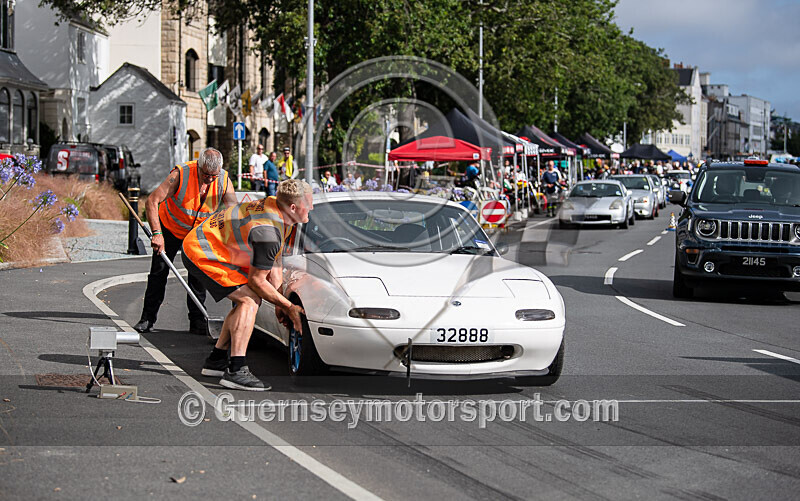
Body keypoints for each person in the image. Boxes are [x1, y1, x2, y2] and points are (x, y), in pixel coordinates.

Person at [181, 179, 314, 390]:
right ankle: (236, 370)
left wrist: (279, 300)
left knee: (251, 298)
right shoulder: (268, 232)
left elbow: (274, 264)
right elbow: (257, 280)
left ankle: (216, 360)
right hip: (203, 252)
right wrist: (289, 308)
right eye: (309, 203)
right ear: (293, 207)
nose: (312, 207)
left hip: (217, 248)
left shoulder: (278, 211)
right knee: (250, 300)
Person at [134, 148, 237, 335]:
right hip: (170, 228)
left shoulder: (223, 180)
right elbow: (152, 201)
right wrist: (157, 234)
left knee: (198, 276)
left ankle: (197, 321)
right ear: (199, 167)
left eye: (214, 175)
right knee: (159, 272)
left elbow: (233, 213)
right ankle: (148, 318)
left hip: (198, 234)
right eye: (206, 174)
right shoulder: (180, 174)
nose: (210, 179)